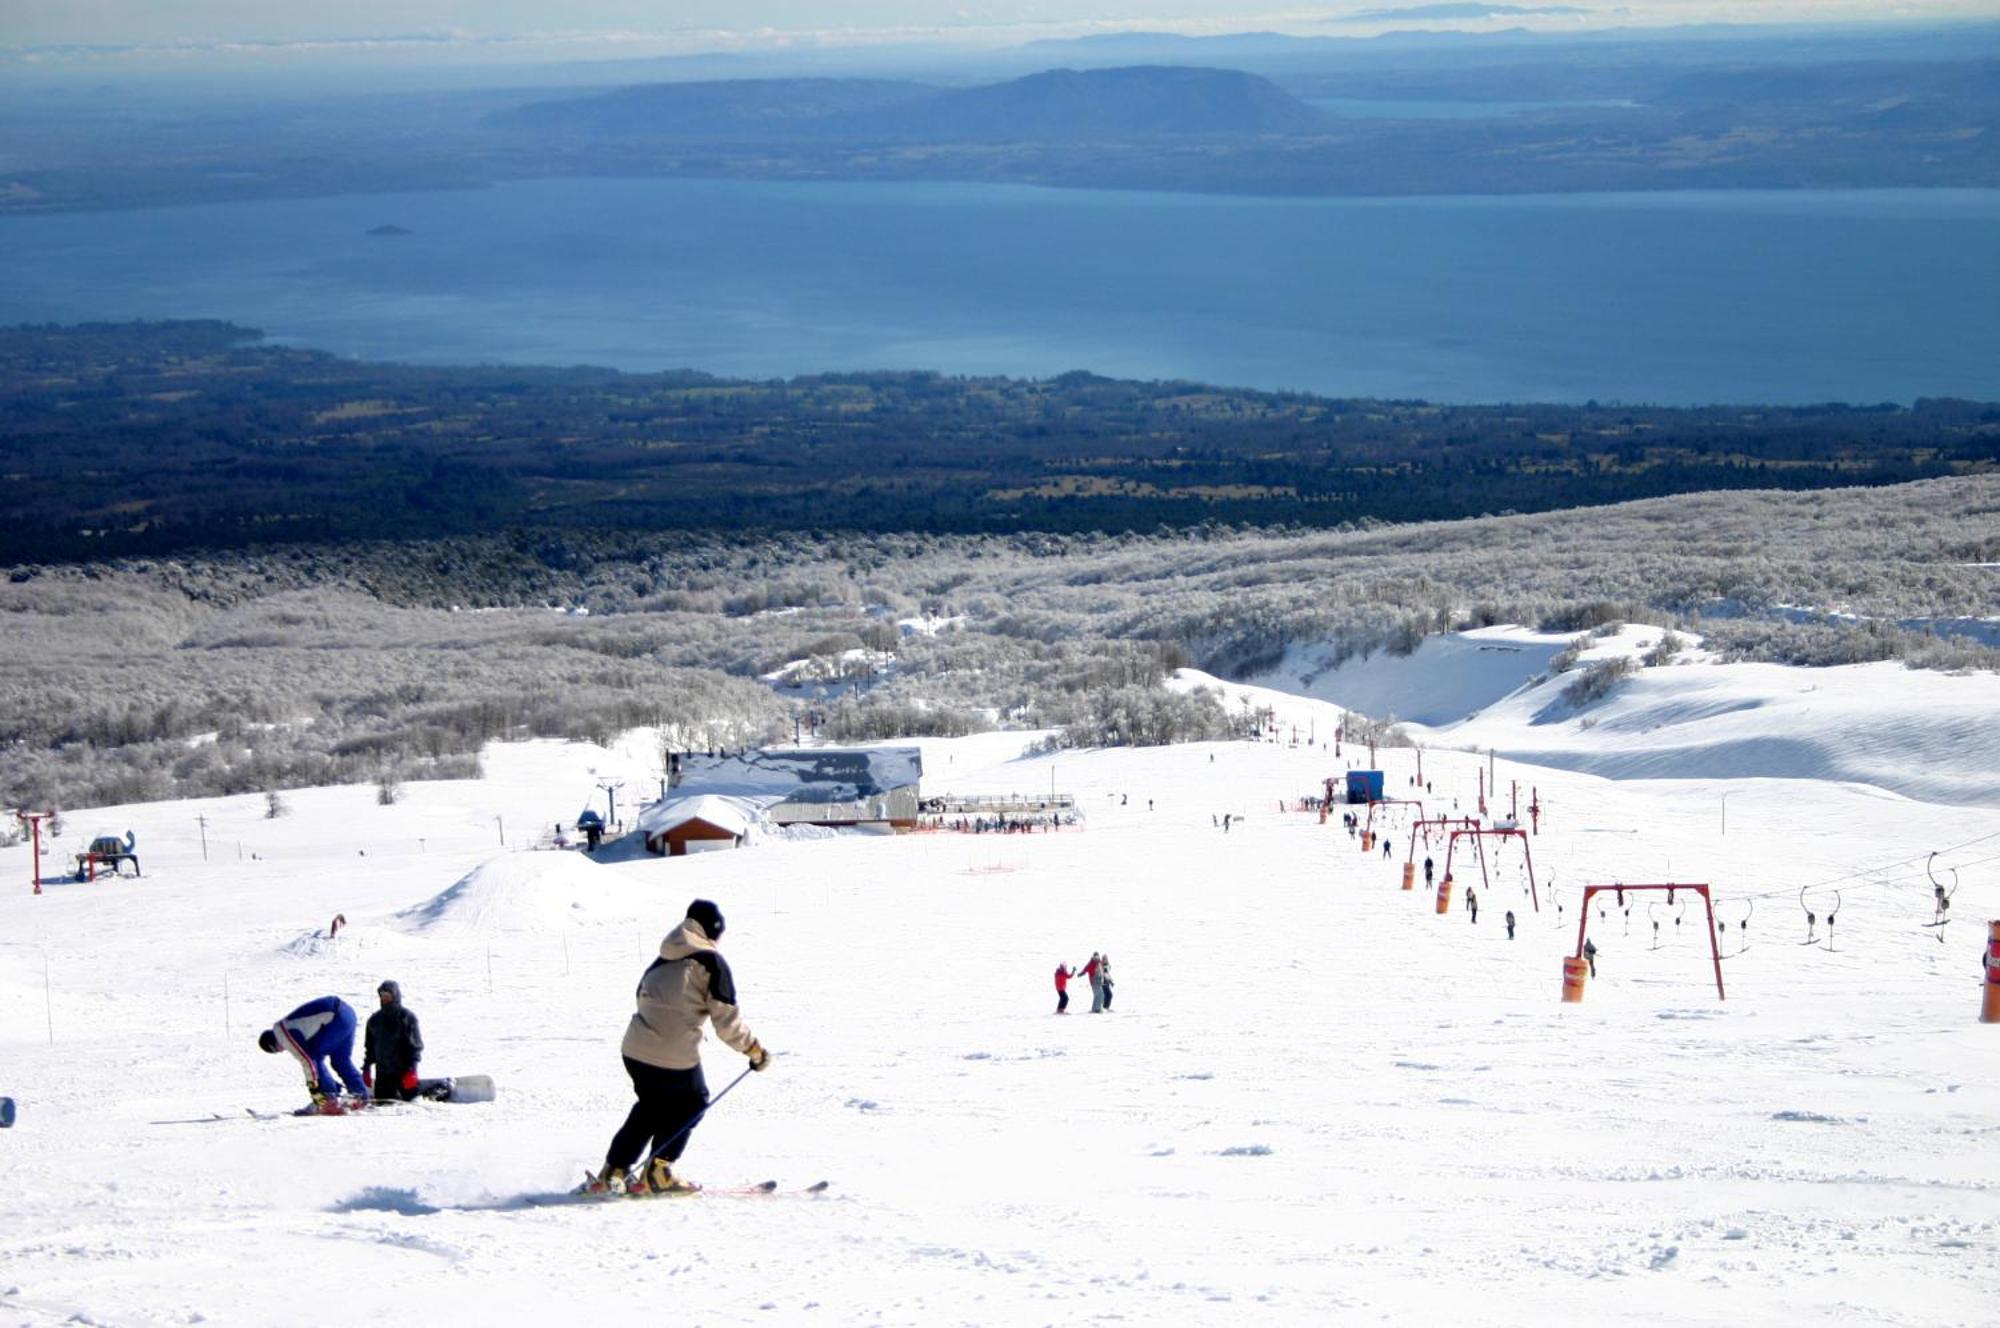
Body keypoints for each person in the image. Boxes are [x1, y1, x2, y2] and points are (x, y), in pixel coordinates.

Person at [587, 899, 768, 1197]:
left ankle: (613, 1172)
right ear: (713, 931)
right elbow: (726, 1021)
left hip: (634, 1048)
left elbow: (641, 995)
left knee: (651, 1106)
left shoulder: (663, 956)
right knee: (693, 1101)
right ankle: (659, 1171)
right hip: (671, 1051)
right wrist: (755, 1051)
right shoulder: (710, 961)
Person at [258, 995, 368, 1109]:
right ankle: (359, 1094)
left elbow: (308, 1063)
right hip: (347, 1014)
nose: (282, 1050)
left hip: (336, 1017)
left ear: (274, 1044)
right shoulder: (289, 1024)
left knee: (314, 1056)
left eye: (277, 1050)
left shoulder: (283, 1034)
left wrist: (316, 1095)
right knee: (340, 1060)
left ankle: (328, 1098)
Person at [362, 979, 426, 1102]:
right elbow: (370, 1048)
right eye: (382, 996)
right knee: (383, 1107)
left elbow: (415, 1047)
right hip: (382, 1076)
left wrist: (412, 1069)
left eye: (388, 996)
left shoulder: (407, 1018)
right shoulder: (374, 1021)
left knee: (408, 1107)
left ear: (395, 996)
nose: (385, 999)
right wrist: (366, 1067)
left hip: (404, 1075)